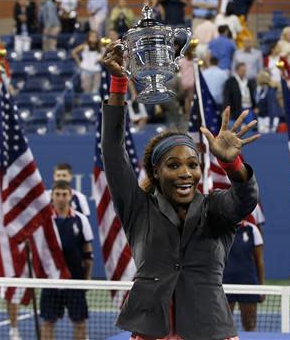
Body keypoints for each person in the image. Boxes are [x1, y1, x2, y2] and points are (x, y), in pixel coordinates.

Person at [101, 41, 260, 340]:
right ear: (157, 172)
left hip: (210, 330)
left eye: (192, 164)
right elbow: (112, 149)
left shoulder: (216, 209)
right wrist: (119, 82)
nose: (186, 172)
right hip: (151, 332)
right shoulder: (138, 208)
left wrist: (233, 163)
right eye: (173, 166)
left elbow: (245, 199)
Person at [40, 180, 94, 340]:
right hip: (51, 281)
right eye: (57, 194)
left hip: (75, 280)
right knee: (48, 323)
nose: (61, 198)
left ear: (71, 196)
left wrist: (88, 277)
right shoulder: (45, 220)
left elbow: (88, 252)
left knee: (79, 323)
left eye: (64, 194)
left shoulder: (80, 219)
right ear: (52, 196)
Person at [223, 219, 265, 331]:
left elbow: (259, 262)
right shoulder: (221, 228)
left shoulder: (252, 230)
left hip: (248, 283)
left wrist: (261, 287)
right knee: (223, 326)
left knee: (249, 323)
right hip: (225, 283)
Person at [72, 30, 102, 94]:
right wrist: (79, 63)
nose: (94, 38)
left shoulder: (100, 47)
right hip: (86, 70)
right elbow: (74, 52)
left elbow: (101, 58)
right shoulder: (84, 46)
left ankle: (94, 103)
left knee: (95, 91)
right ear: (88, 37)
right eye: (92, 36)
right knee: (86, 90)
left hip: (96, 71)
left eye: (95, 36)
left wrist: (100, 61)